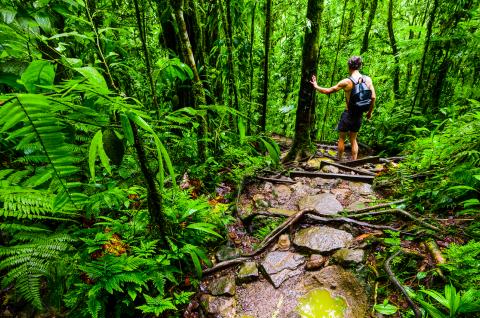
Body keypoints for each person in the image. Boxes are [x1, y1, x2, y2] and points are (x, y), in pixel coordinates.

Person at [310, 56, 376, 160]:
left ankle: (339, 159)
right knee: (353, 139)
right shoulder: (368, 80)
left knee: (341, 138)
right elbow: (373, 97)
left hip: (348, 113)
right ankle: (354, 162)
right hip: (359, 114)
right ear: (360, 66)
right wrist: (369, 112)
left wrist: (316, 86)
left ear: (349, 66)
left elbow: (328, 91)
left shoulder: (346, 82)